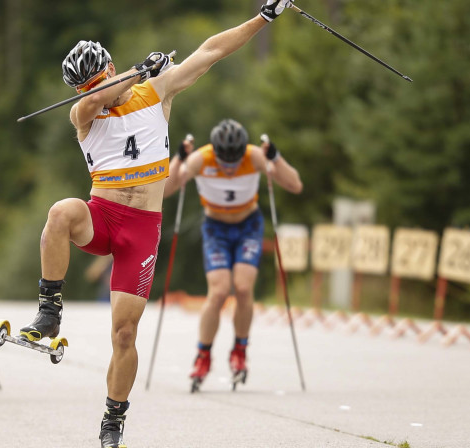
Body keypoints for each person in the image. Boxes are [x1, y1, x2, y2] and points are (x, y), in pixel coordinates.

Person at [17, 1, 294, 446]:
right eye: (88, 85)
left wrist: (264, 17)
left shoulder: (156, 90)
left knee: (125, 333)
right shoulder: (84, 115)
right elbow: (94, 99)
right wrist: (134, 71)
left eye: (99, 77)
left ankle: (113, 420)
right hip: (102, 216)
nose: (97, 89)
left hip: (141, 228)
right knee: (60, 212)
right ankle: (50, 310)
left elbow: (212, 51)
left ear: (108, 64)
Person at [164, 119, 302, 390]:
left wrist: (275, 157)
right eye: (224, 161)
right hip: (215, 228)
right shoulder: (201, 159)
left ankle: (239, 350)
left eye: (235, 161)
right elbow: (167, 189)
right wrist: (179, 159)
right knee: (217, 292)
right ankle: (203, 355)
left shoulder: (254, 156)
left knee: (242, 288)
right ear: (214, 151)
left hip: (248, 226)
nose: (229, 167)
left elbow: (295, 185)